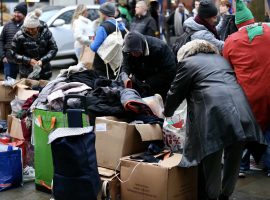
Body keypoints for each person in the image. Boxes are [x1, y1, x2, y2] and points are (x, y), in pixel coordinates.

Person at [164, 39, 264, 200]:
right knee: (234, 154)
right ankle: (226, 195)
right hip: (242, 111)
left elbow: (174, 93)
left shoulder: (187, 63)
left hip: (215, 115)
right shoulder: (221, 60)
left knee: (212, 156)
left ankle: (213, 196)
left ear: (184, 55)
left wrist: (167, 112)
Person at [223, 0, 270, 177]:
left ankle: (241, 167)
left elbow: (227, 68)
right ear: (251, 20)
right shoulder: (268, 32)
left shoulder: (231, 41)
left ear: (237, 24)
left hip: (247, 96)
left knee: (244, 130)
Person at [120, 31, 176, 101]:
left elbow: (170, 71)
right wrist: (124, 74)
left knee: (160, 107)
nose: (133, 54)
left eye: (136, 52)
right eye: (131, 52)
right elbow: (126, 64)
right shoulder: (127, 48)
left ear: (142, 47)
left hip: (160, 84)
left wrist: (147, 82)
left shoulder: (159, 48)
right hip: (140, 81)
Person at [11, 9, 58, 80]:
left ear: (38, 27)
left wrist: (42, 60)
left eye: (33, 29)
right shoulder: (19, 35)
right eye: (28, 29)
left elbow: (54, 49)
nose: (30, 31)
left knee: (45, 90)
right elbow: (13, 54)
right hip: (26, 75)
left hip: (45, 72)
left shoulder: (46, 33)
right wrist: (28, 60)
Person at [90, 2, 127, 79]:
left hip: (103, 66)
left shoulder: (103, 27)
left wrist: (91, 42)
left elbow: (94, 47)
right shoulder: (121, 25)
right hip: (117, 63)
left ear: (104, 14)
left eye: (100, 13)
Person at [0, 2, 27, 79]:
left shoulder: (28, 26)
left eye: (19, 12)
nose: (16, 14)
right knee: (9, 85)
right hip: (9, 60)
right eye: (15, 12)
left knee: (24, 85)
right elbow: (1, 40)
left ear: (24, 14)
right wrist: (2, 56)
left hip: (24, 61)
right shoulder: (7, 25)